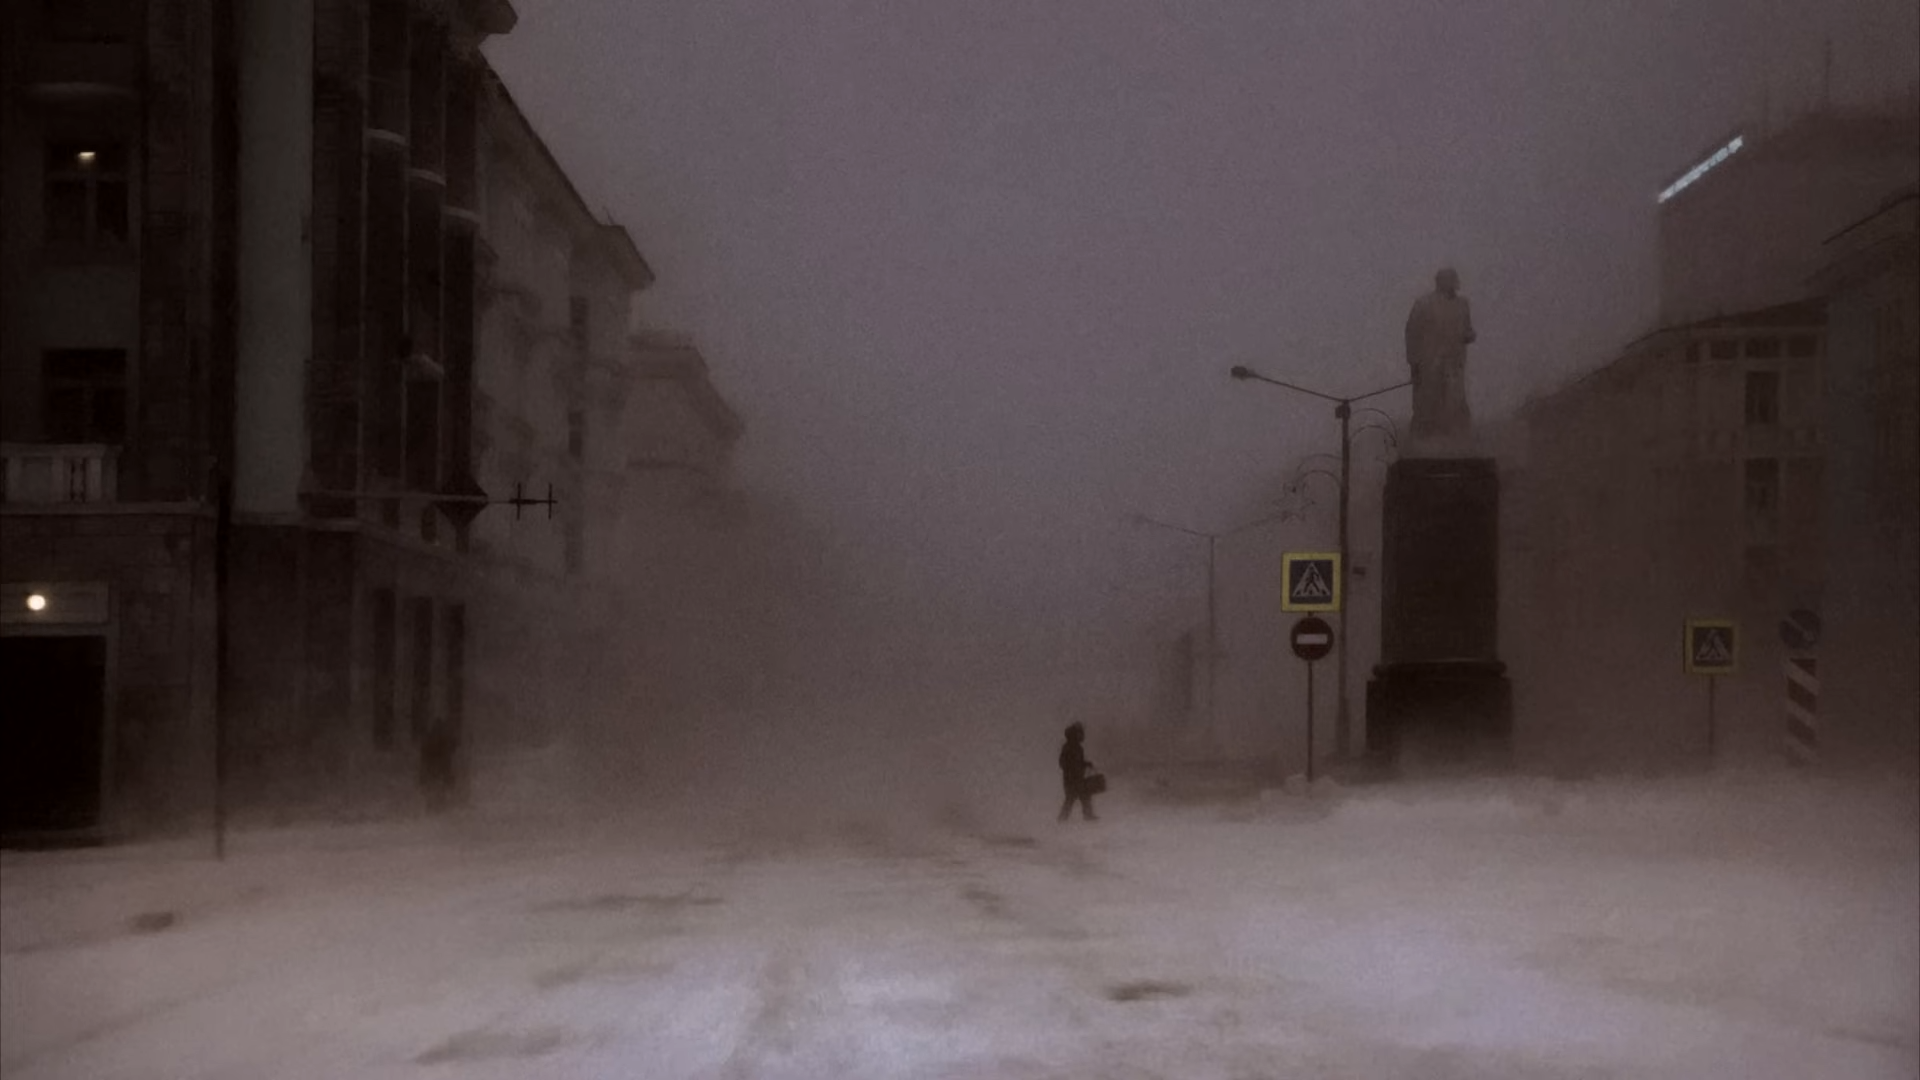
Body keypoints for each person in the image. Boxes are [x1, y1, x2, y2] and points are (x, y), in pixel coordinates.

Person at [1057, 722, 1099, 822]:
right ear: (1076, 734)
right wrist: (1073, 768)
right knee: (1072, 798)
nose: (1082, 735)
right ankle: (1063, 819)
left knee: (1082, 796)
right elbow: (1062, 763)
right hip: (1071, 779)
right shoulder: (1069, 747)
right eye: (1080, 733)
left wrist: (1085, 764)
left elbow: (1077, 762)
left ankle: (1086, 816)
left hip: (1077, 777)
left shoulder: (1077, 747)